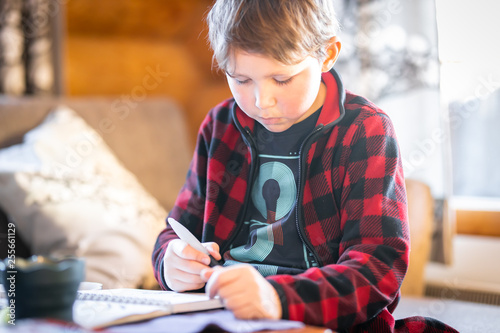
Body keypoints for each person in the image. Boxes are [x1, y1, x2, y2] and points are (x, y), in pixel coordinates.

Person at [153, 1, 457, 332]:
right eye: (240, 79)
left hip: (318, 319)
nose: (261, 101)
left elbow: (378, 267)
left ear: (327, 54)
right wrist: (170, 261)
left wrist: (277, 299)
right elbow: (178, 228)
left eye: (281, 79)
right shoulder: (220, 126)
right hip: (220, 313)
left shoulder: (364, 130)